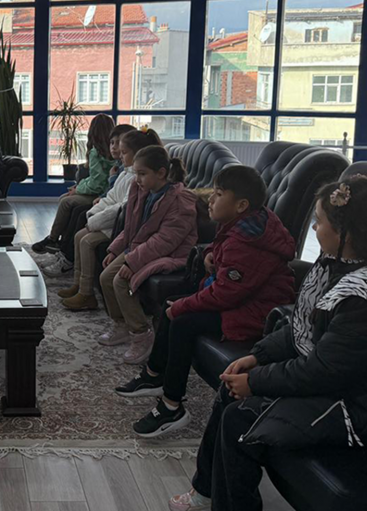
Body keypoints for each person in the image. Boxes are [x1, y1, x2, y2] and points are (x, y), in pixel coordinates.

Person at [168, 176, 367, 511]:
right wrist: (257, 356)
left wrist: (255, 381)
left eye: (319, 221)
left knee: (239, 420)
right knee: (232, 392)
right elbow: (302, 327)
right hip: (346, 385)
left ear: (347, 232)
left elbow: (324, 370)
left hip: (363, 410)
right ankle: (206, 492)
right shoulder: (342, 263)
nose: (315, 228)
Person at [118, 165, 296, 438]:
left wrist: (183, 306)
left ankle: (172, 406)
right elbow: (225, 246)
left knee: (182, 319)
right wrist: (210, 252)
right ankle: (154, 375)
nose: (210, 199)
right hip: (242, 301)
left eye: (219, 194)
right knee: (172, 305)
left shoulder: (247, 240)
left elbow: (226, 293)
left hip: (258, 313)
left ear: (241, 205)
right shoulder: (245, 224)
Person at [100, 137, 197, 365]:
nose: (137, 179)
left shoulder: (180, 200)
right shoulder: (142, 189)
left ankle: (141, 334)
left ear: (161, 173)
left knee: (120, 282)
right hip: (141, 248)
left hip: (169, 254)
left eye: (142, 174)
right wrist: (116, 249)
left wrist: (132, 262)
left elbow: (165, 241)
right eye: (136, 173)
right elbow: (132, 227)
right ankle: (121, 325)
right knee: (105, 278)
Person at [57, 126, 160, 306]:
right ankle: (79, 284)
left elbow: (122, 208)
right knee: (79, 236)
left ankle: (87, 294)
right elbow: (110, 197)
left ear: (137, 154)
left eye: (124, 153)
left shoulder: (135, 179)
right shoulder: (124, 173)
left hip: (116, 226)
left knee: (87, 241)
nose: (120, 156)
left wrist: (95, 221)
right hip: (107, 222)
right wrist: (93, 214)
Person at [46, 123, 136, 277]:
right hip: (102, 201)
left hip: (106, 209)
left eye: (121, 148)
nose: (115, 149)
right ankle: (63, 252)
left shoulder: (128, 172)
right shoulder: (122, 168)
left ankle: (60, 248)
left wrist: (93, 204)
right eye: (112, 143)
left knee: (74, 208)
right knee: (75, 209)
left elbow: (103, 187)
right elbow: (112, 193)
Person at [33, 114, 116, 257]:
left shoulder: (95, 152)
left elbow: (96, 184)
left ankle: (53, 239)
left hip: (99, 194)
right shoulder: (113, 152)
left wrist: (78, 190)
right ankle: (59, 240)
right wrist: (78, 188)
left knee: (65, 201)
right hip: (106, 193)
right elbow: (97, 179)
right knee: (65, 199)